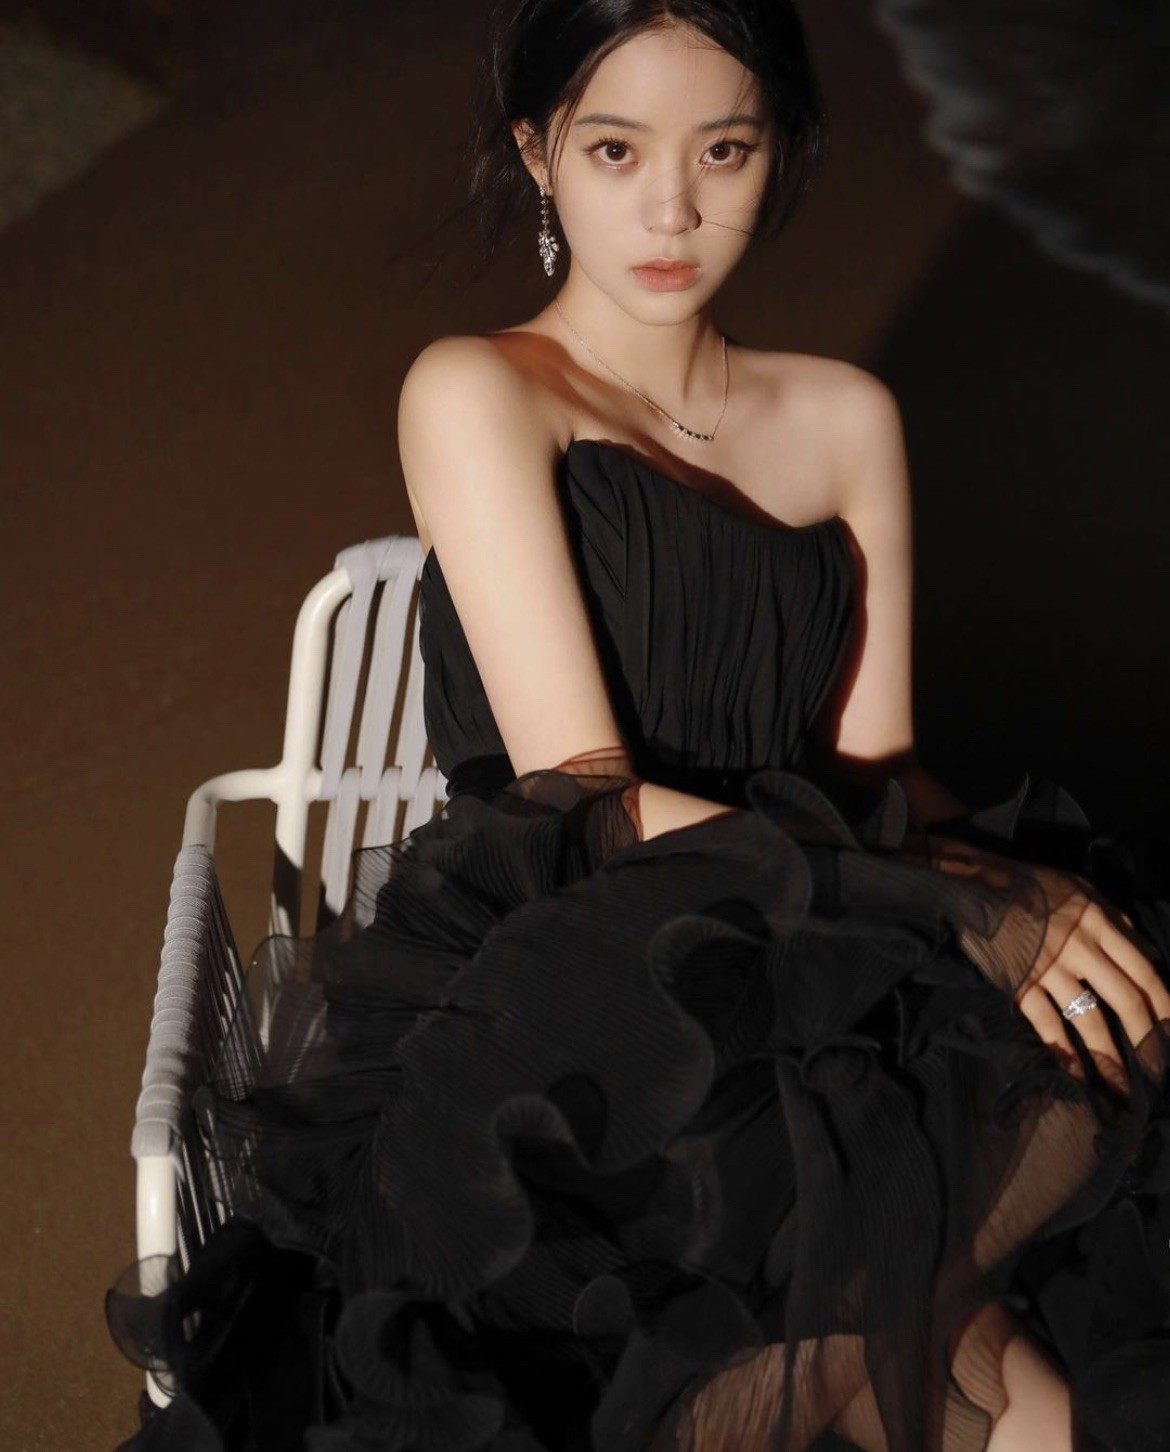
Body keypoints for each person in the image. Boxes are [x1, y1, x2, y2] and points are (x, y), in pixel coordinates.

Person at [105, 3, 1170, 1449]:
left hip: (831, 948)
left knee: (1071, 1100)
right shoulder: (481, 390)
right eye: (616, 150)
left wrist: (1016, 892)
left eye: (723, 150)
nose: (672, 211)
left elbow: (879, 770)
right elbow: (584, 793)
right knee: (826, 1284)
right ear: (536, 153)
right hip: (582, 972)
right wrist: (957, 911)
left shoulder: (847, 417)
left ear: (781, 152)